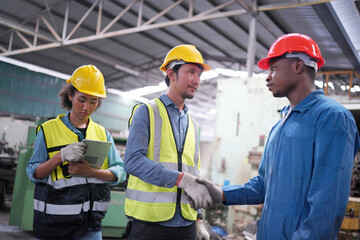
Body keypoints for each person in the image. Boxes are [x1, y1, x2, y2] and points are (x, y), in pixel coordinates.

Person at [193, 33, 360, 239]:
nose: (268, 76)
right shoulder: (281, 124)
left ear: (298, 66)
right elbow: (264, 185)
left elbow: (328, 202)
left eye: (274, 68)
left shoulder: (331, 118)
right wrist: (223, 194)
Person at [26, 64, 127, 240]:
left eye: (93, 101)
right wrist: (60, 156)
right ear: (70, 95)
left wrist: (91, 172)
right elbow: (34, 173)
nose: (86, 107)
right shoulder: (48, 130)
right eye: (82, 99)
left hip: (90, 227)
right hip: (53, 226)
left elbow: (120, 172)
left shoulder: (103, 134)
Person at [123, 44, 212, 240]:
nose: (196, 80)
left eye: (199, 75)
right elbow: (132, 161)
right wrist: (179, 179)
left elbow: (193, 174)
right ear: (171, 74)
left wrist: (198, 219)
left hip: (186, 225)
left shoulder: (192, 124)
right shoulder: (146, 112)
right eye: (191, 72)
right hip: (150, 224)